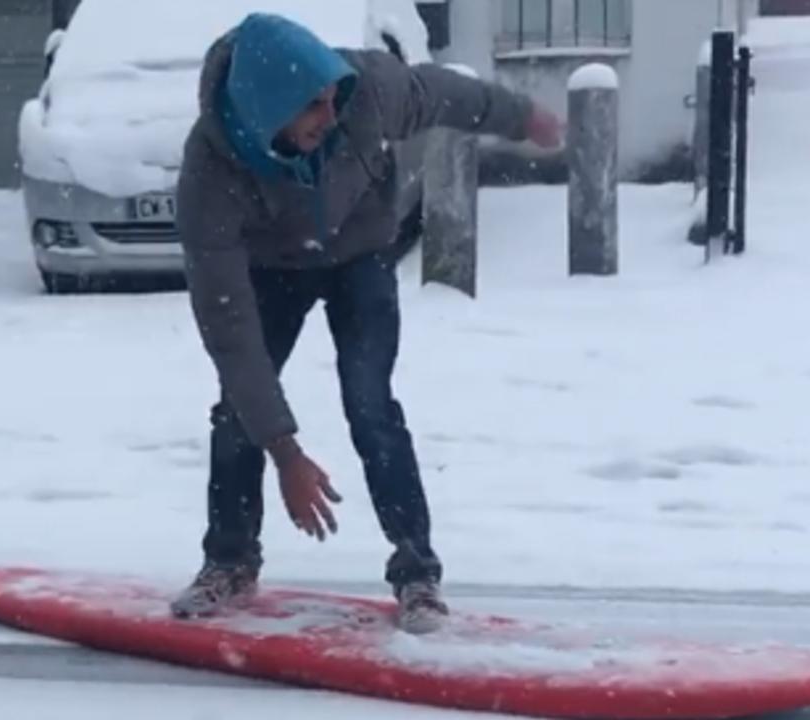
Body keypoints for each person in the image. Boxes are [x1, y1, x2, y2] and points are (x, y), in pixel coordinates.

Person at [171, 12, 563, 634]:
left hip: (358, 253)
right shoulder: (210, 173)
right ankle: (229, 561)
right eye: (314, 108)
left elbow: (447, 94)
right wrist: (286, 452)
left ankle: (417, 575)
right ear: (267, 108)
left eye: (334, 100)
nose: (332, 115)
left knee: (370, 403)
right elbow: (231, 335)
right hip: (272, 267)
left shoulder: (367, 88)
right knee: (236, 410)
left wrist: (522, 117)